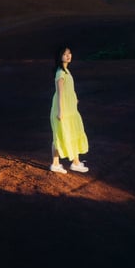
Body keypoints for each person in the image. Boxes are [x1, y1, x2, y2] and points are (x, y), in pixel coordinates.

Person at [50, 46, 89, 174]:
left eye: (69, 53)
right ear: (60, 57)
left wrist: (75, 99)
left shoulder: (66, 71)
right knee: (59, 136)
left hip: (70, 110)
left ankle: (76, 162)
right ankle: (56, 164)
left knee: (73, 132)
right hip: (63, 111)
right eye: (65, 54)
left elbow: (69, 89)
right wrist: (60, 111)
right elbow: (60, 93)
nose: (68, 56)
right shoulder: (60, 73)